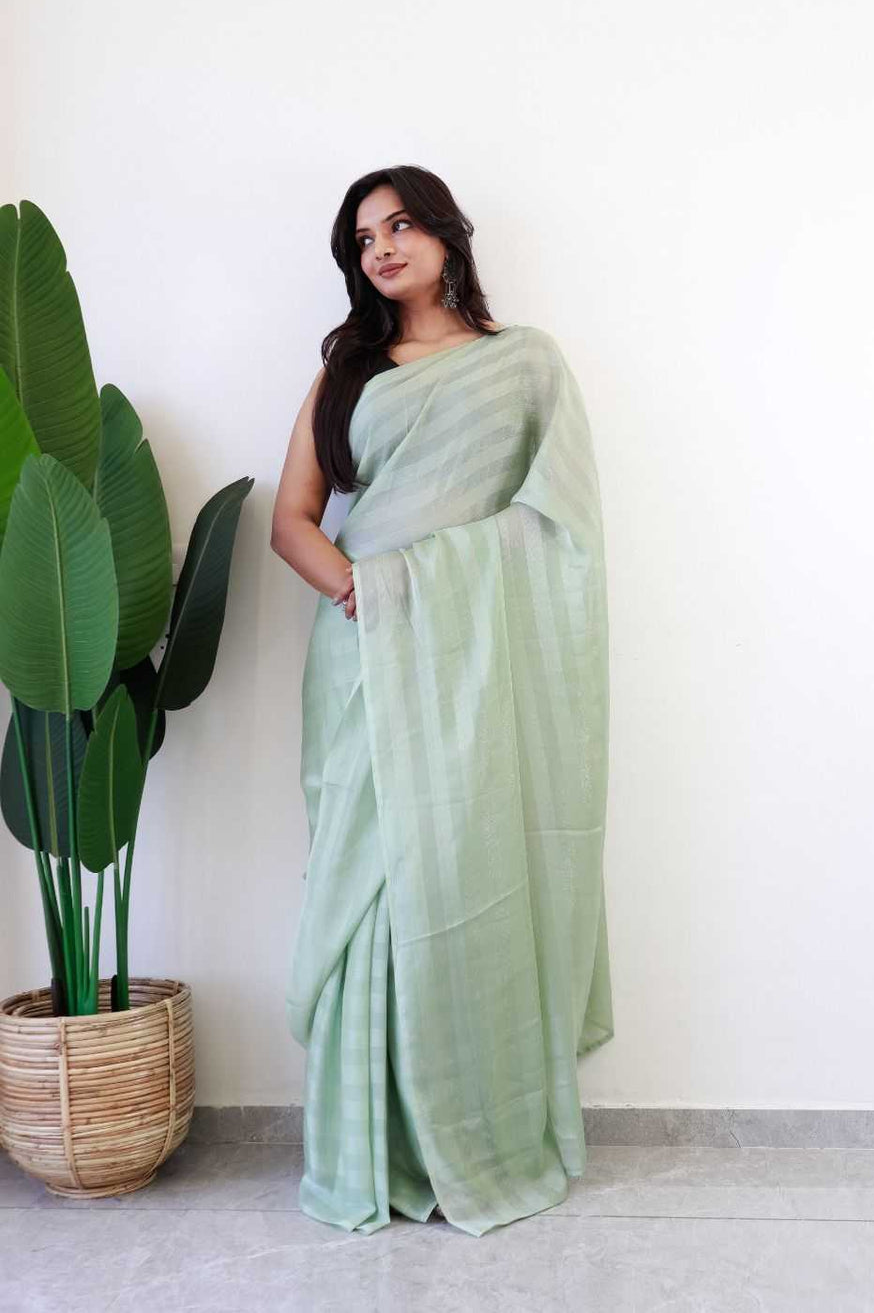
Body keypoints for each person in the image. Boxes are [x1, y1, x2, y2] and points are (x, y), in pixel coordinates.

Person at [270, 164, 613, 1237]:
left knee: (463, 871)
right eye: (363, 237)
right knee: (367, 889)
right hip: (364, 654)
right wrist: (365, 592)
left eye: (400, 224)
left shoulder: (524, 364)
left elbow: (561, 527)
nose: (380, 247)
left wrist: (430, 586)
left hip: (470, 664)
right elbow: (292, 519)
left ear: (447, 234)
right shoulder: (346, 373)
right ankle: (365, 1151)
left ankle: (472, 1133)